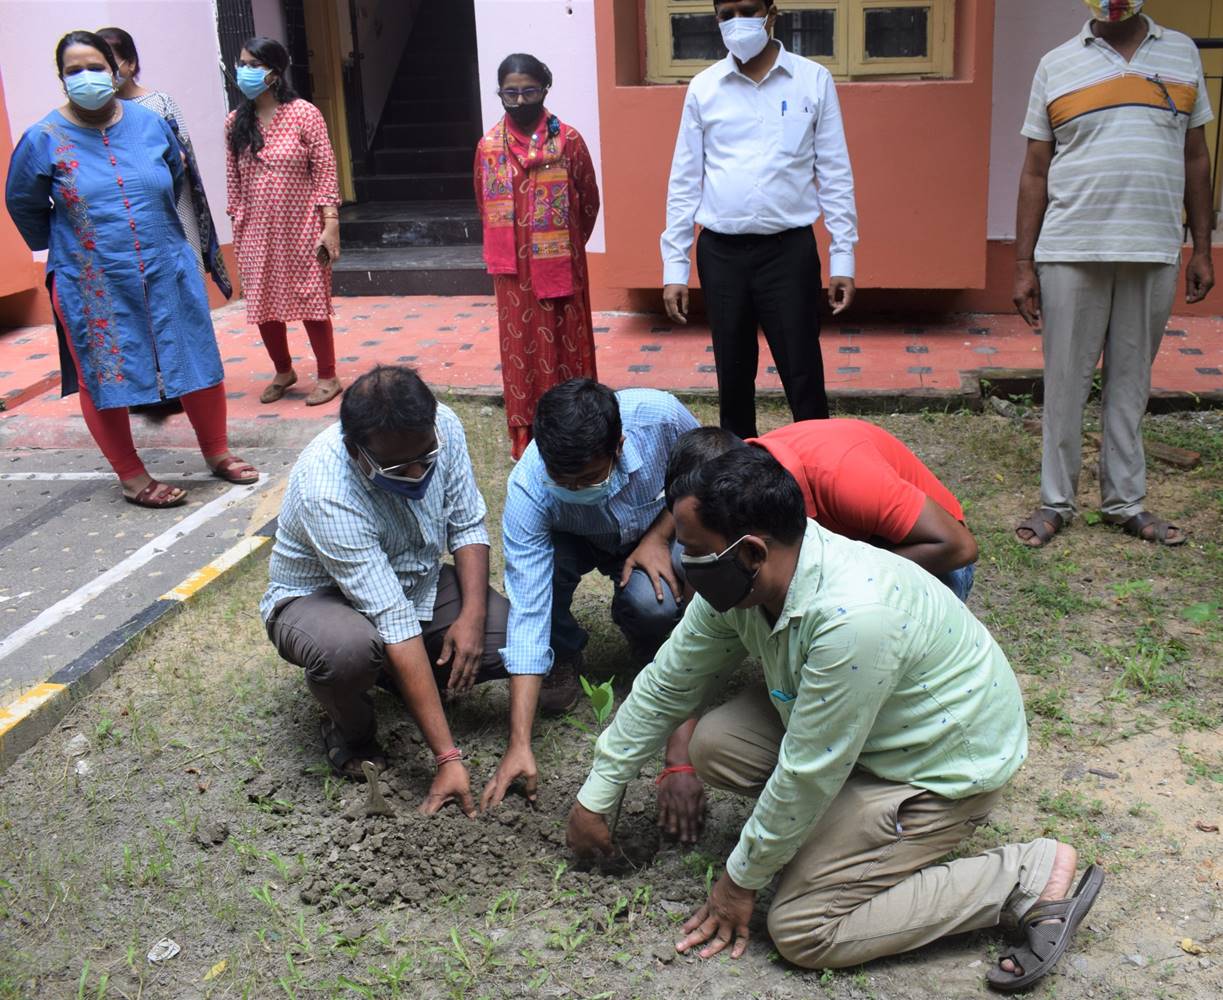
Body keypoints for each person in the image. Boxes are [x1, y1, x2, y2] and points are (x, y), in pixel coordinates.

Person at [567, 447, 1103, 991]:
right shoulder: (747, 581)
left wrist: (739, 881)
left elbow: (807, 771)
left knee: (803, 929)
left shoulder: (854, 618)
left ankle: (1024, 876)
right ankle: (847, 821)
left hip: (937, 767)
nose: (684, 563)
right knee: (716, 744)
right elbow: (669, 682)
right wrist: (598, 791)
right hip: (868, 733)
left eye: (694, 551)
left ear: (751, 551)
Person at [5, 30, 257, 508]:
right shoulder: (42, 139)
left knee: (197, 358)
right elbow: (23, 202)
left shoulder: (148, 122)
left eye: (95, 67)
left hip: (167, 263)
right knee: (105, 375)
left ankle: (217, 451)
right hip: (90, 281)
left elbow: (176, 175)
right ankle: (131, 475)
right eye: (74, 70)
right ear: (61, 80)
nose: (86, 77)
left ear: (117, 70)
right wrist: (65, 240)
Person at [261, 365, 508, 816]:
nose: (417, 472)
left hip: (415, 582)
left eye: (425, 456)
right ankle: (349, 732)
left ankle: (399, 675)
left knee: (506, 637)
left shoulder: (441, 426)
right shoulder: (327, 490)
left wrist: (471, 617)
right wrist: (448, 757)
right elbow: (392, 617)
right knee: (349, 651)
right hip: (319, 598)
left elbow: (468, 522)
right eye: (399, 466)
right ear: (358, 453)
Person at [1013, 0, 1214, 548]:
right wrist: (1022, 262)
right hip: (1071, 248)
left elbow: (1196, 156)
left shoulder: (1181, 52)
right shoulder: (1057, 63)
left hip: (1152, 247)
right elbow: (1035, 168)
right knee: (1065, 383)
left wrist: (1202, 247)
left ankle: (1125, 503)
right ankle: (1056, 502)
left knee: (1131, 383)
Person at [480, 379, 699, 812]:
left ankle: (650, 644)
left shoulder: (660, 417)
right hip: (578, 540)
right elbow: (527, 607)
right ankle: (563, 654)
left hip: (654, 530)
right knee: (548, 572)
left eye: (587, 478)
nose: (575, 489)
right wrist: (518, 743)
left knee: (652, 605)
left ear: (618, 446)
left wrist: (658, 536)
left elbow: (703, 479)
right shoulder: (530, 488)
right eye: (563, 480)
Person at [661, 0, 858, 439]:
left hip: (788, 252)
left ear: (771, 12)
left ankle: (818, 477)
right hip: (721, 253)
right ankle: (739, 481)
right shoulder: (704, 88)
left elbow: (835, 172)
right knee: (732, 377)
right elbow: (684, 179)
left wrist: (843, 255)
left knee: (803, 372)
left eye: (747, 9)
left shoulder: (812, 80)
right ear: (716, 20)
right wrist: (675, 266)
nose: (737, 21)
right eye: (726, 13)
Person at [666, 420, 978, 600]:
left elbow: (959, 547)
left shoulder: (844, 475)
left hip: (930, 549)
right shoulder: (736, 480)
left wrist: (835, 580)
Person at [476, 53, 601, 459]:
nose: (519, 99)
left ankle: (579, 428)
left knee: (567, 347)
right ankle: (525, 437)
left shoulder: (569, 141)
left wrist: (561, 248)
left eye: (528, 91)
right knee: (520, 354)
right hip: (513, 276)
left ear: (545, 89)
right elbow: (482, 203)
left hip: (561, 267)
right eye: (510, 92)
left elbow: (588, 203)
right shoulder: (488, 146)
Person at [226, 36, 343, 407]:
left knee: (312, 299)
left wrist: (330, 222)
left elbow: (325, 168)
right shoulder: (234, 122)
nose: (242, 71)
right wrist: (239, 225)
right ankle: (283, 370)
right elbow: (233, 179)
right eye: (240, 64)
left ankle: (328, 375)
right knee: (263, 302)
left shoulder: (304, 113)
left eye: (252, 65)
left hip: (303, 225)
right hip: (256, 229)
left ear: (274, 73)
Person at [97, 25, 231, 296]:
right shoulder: (97, 114)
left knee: (187, 280)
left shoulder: (159, 103)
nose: (106, 72)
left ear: (130, 62)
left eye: (111, 61)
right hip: (127, 213)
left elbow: (185, 157)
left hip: (175, 203)